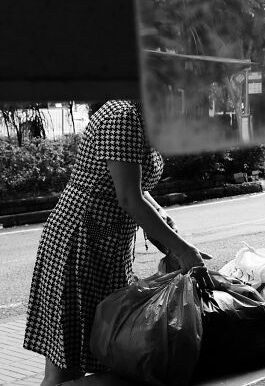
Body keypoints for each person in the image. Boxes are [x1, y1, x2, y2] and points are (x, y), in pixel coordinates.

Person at [23, 99, 209, 386]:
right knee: (66, 368)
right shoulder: (123, 117)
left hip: (108, 246)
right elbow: (128, 197)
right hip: (81, 242)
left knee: (108, 349)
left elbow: (134, 186)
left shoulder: (141, 117)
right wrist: (182, 250)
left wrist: (161, 219)